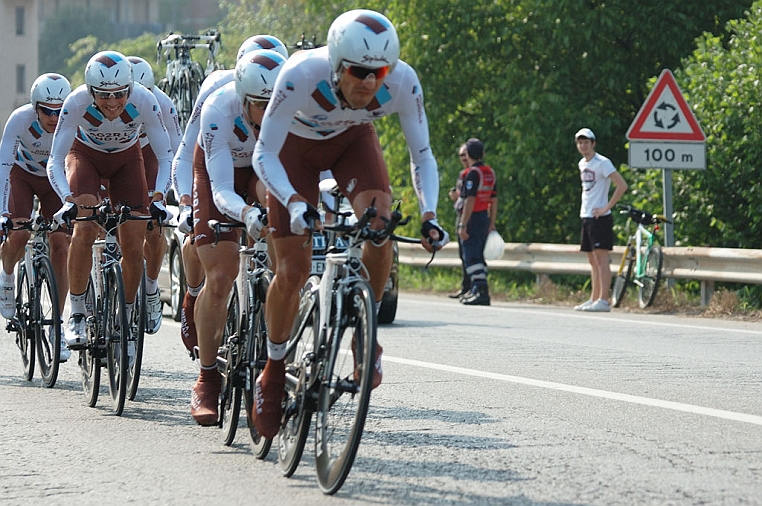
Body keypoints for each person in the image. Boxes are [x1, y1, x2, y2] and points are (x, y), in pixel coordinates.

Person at [250, 9, 448, 439]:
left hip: (354, 143)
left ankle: (365, 331)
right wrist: (294, 201)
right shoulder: (301, 73)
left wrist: (430, 213)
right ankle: (273, 366)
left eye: (380, 71)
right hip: (294, 153)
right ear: (337, 64)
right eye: (359, 72)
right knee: (292, 270)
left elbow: (423, 156)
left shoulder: (403, 81)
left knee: (381, 226)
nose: (371, 82)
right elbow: (263, 153)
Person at [47, 50, 174, 352]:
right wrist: (67, 200)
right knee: (85, 226)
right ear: (91, 91)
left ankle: (128, 316)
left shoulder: (145, 100)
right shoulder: (76, 102)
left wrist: (159, 197)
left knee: (133, 243)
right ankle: (77, 312)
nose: (113, 101)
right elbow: (54, 159)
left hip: (127, 161)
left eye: (119, 94)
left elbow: (166, 155)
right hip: (85, 156)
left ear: (130, 89)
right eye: (103, 95)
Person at [171, 35, 288, 357]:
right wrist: (185, 201)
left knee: (275, 214)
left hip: (260, 171)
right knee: (219, 272)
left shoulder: (292, 99)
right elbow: (185, 149)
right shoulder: (218, 95)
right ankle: (194, 295)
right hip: (215, 169)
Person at [188, 49, 286, 425]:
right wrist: (246, 215)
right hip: (221, 177)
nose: (272, 113)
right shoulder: (219, 109)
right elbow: (222, 190)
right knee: (220, 275)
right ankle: (207, 378)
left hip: (263, 173)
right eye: (263, 105)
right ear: (244, 101)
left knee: (286, 252)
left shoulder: (291, 107)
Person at [0, 73, 72, 361]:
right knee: (18, 233)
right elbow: (4, 165)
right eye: (47, 111)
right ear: (35, 107)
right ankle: (7, 277)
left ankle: (57, 324)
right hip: (22, 175)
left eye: (59, 110)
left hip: (56, 180)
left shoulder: (75, 118)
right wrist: (3, 211)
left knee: (61, 244)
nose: (54, 117)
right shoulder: (20, 119)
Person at [128, 56, 183, 334]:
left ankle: (150, 289)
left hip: (149, 152)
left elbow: (176, 153)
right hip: (115, 151)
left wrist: (164, 194)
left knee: (154, 224)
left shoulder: (162, 104)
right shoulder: (105, 101)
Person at [572, 128, 628, 312]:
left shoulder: (602, 162)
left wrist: (607, 207)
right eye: (580, 142)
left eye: (586, 142)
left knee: (602, 258)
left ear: (593, 143)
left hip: (600, 216)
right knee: (592, 259)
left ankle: (604, 300)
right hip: (586, 214)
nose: (583, 145)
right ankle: (594, 298)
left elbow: (621, 185)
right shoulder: (582, 163)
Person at [457, 138, 497, 306]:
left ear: (468, 154)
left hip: (472, 218)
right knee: (478, 255)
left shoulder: (472, 173)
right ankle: (476, 289)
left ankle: (481, 291)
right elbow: (494, 200)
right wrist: (492, 222)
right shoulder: (489, 172)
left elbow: (470, 200)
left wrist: (463, 225)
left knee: (471, 257)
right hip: (483, 218)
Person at [447, 143, 471, 299]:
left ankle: (473, 288)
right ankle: (465, 287)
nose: (463, 158)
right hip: (460, 215)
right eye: (461, 155)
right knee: (463, 255)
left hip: (470, 218)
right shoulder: (463, 174)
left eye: (465, 154)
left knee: (471, 255)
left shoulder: (475, 174)